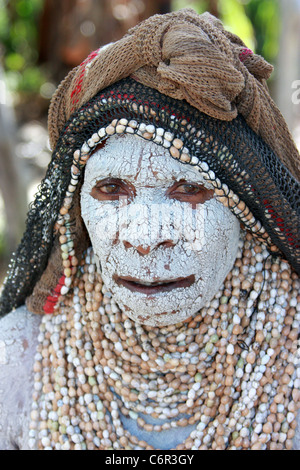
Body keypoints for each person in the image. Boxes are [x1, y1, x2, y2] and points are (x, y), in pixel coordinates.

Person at [0, 9, 299, 450]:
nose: (144, 237)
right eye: (111, 188)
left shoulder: (290, 351)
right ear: (76, 208)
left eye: (189, 189)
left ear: (247, 208)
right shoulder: (18, 359)